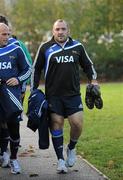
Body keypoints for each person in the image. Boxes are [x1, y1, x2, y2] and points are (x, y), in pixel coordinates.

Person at [31, 19, 98, 173]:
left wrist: (93, 80)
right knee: (57, 122)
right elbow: (36, 69)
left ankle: (72, 148)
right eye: (57, 29)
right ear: (53, 31)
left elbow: (88, 65)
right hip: (53, 96)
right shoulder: (45, 48)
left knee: (77, 123)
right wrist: (34, 89)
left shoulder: (77, 46)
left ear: (68, 30)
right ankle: (60, 160)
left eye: (63, 29)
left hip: (73, 94)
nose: (60, 32)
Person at [0, 15, 32, 168]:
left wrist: (19, 80)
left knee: (13, 126)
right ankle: (3, 153)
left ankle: (13, 158)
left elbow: (28, 69)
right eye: (4, 34)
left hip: (13, 95)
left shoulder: (17, 48)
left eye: (8, 33)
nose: (7, 37)